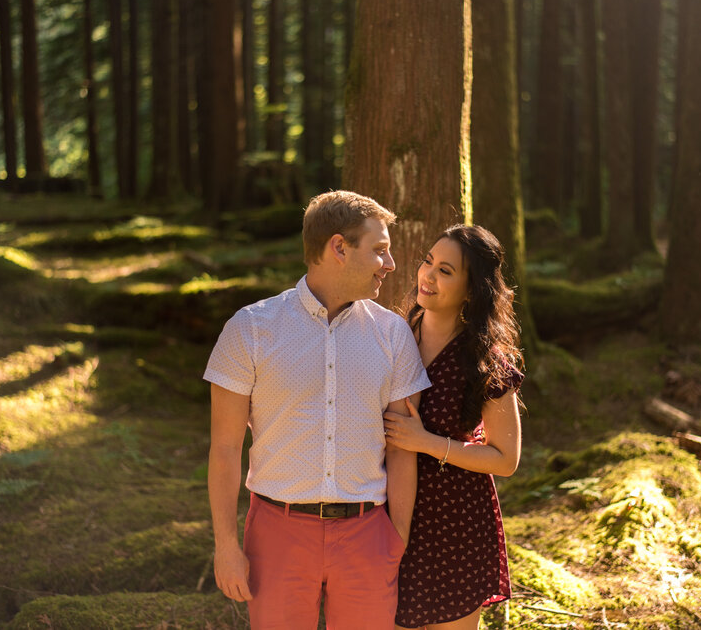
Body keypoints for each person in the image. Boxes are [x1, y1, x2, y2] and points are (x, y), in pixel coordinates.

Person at [204, 190, 432, 630]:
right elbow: (226, 447)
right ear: (339, 248)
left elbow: (403, 447)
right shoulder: (250, 329)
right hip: (276, 532)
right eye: (380, 251)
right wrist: (226, 546)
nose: (391, 265)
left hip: (367, 534)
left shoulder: (393, 334)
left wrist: (396, 540)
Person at [383, 224, 524, 630]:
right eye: (428, 262)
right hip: (388, 518)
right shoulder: (392, 337)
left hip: (457, 523)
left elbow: (506, 460)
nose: (428, 275)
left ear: (471, 289)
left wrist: (428, 443)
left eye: (446, 271)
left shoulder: (484, 361)